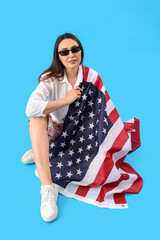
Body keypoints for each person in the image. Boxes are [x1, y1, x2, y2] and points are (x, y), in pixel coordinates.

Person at [21, 33, 84, 222]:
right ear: (58, 56)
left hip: (79, 134)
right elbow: (30, 108)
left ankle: (43, 151)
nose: (71, 55)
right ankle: (48, 189)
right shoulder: (51, 78)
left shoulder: (91, 75)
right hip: (56, 130)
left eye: (75, 49)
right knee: (36, 118)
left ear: (81, 51)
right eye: (64, 52)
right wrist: (65, 100)